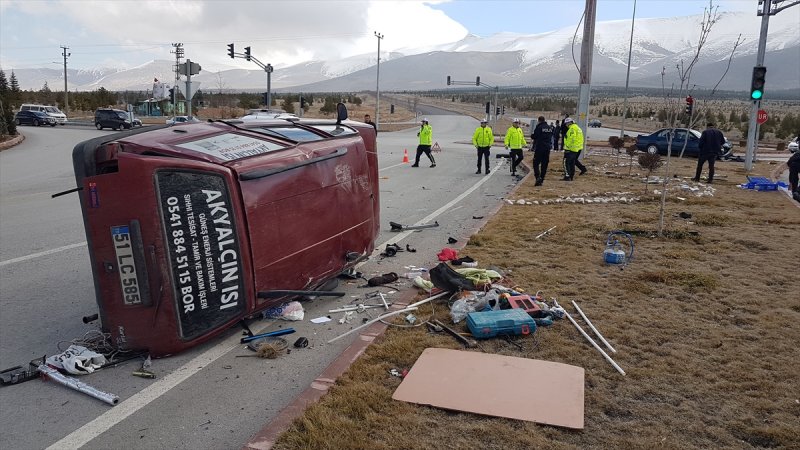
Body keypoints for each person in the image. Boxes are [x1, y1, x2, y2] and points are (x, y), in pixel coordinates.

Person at [531, 116, 554, 186]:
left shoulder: (539, 127)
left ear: (539, 121)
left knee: (536, 163)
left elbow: (535, 136)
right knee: (544, 164)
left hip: (540, 147)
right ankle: (542, 178)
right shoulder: (549, 128)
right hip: (547, 148)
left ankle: (538, 177)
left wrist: (532, 135)